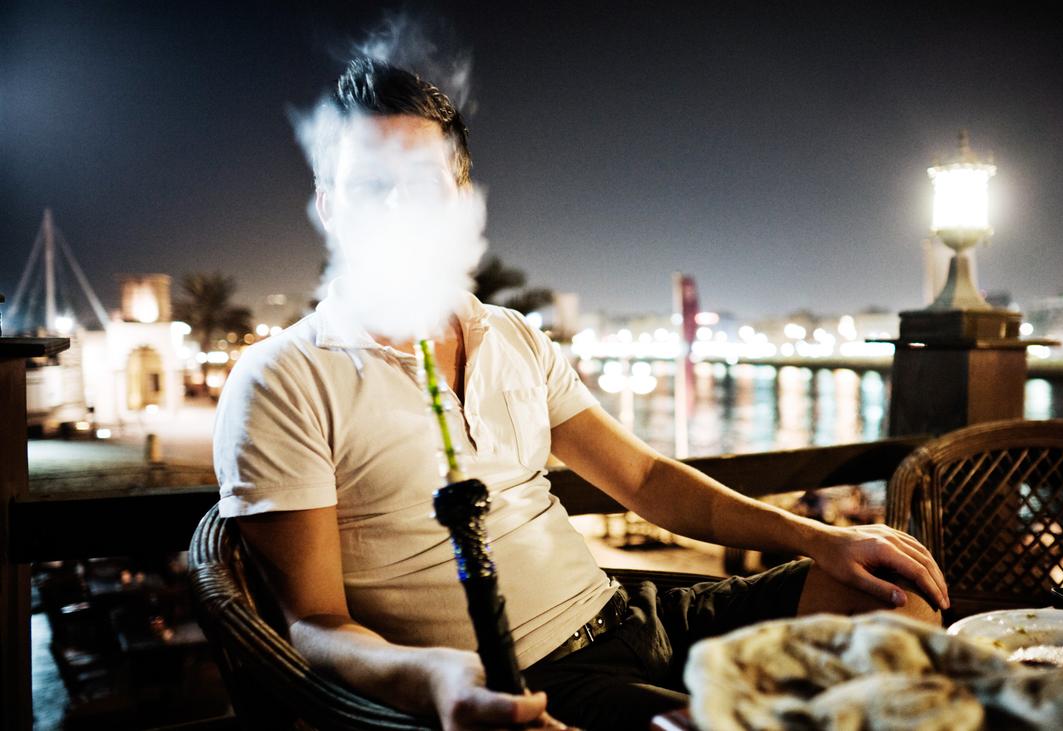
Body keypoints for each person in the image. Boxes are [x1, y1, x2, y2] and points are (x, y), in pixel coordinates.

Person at [214, 57, 949, 731]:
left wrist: (818, 537)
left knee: (893, 597)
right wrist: (437, 680)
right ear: (330, 205)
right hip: (527, 679)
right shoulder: (284, 376)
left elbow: (645, 479)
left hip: (631, 614)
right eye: (371, 186)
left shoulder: (509, 334)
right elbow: (314, 623)